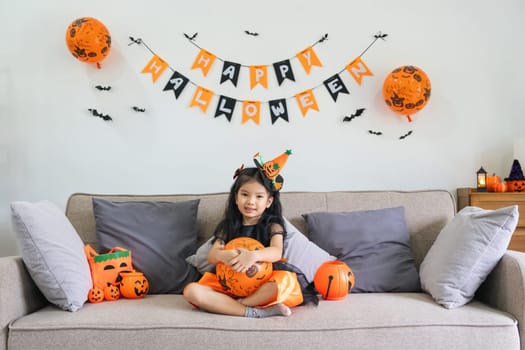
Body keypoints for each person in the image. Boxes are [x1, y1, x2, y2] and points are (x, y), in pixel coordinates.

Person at [183, 150, 303, 318]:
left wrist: (253, 256)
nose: (250, 201)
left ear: (269, 202)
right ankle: (255, 312)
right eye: (245, 194)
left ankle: (233, 306)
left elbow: (276, 252)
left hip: (261, 285)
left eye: (259, 196)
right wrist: (224, 256)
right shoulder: (228, 225)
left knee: (283, 283)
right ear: (235, 198)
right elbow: (212, 256)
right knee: (191, 291)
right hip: (228, 285)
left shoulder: (272, 225)